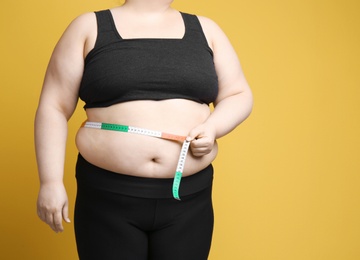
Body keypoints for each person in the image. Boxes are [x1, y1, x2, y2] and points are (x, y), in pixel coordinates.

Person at [35, 0, 253, 259]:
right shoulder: (87, 27)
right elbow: (54, 106)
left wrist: (213, 127)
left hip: (189, 199)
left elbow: (238, 94)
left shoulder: (207, 30)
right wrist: (50, 182)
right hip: (106, 197)